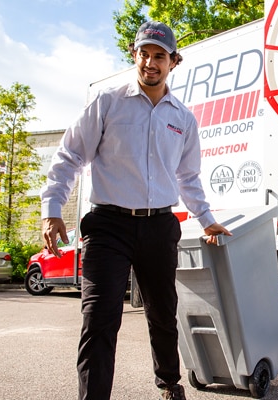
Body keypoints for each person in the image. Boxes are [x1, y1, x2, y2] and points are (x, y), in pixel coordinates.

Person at [40, 21, 231, 400]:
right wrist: (52, 207)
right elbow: (71, 156)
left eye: (159, 56)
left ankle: (169, 383)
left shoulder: (183, 119)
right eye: (144, 53)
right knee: (99, 318)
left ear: (173, 62)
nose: (150, 62)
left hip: (159, 226)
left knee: (163, 313)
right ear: (135, 55)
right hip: (108, 226)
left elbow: (188, 178)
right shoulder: (107, 102)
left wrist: (208, 220)